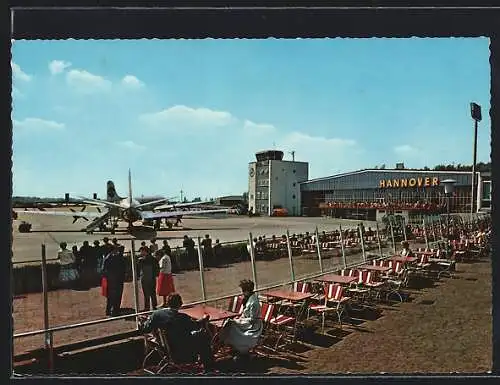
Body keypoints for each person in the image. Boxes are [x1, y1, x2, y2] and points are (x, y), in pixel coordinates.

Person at [139, 293, 215, 372]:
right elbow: (196, 325)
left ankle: (207, 364)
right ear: (180, 304)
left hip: (165, 348)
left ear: (167, 303)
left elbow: (146, 328)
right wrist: (204, 319)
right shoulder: (182, 318)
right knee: (202, 335)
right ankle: (209, 367)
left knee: (198, 335)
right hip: (182, 351)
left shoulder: (157, 315)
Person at [219, 279, 263, 361]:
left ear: (247, 291)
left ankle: (223, 343)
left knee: (230, 324)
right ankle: (224, 342)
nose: (242, 293)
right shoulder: (248, 298)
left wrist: (239, 321)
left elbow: (252, 319)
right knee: (230, 323)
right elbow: (245, 313)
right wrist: (239, 319)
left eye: (243, 291)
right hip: (247, 322)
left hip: (253, 326)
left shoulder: (253, 302)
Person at [102, 245, 126, 316]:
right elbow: (123, 268)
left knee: (110, 296)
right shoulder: (118, 258)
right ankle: (115, 310)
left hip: (110, 280)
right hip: (118, 279)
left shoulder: (107, 258)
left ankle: (108, 310)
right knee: (117, 295)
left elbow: (103, 270)